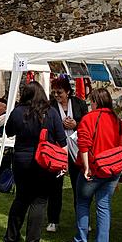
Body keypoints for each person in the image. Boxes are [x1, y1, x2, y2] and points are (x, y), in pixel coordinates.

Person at [2, 81, 66, 242]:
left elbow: (9, 131)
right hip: (44, 160)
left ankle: (11, 236)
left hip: (22, 160)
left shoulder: (18, 112)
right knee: (39, 201)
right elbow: (62, 140)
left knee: (21, 198)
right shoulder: (51, 113)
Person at [72, 88, 122, 242]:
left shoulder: (89, 119)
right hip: (112, 170)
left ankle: (81, 240)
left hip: (94, 169)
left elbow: (83, 145)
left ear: (95, 102)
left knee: (83, 202)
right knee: (104, 206)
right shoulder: (118, 122)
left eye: (91, 101)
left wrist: (87, 167)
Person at [46, 77, 89, 232]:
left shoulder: (79, 104)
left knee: (79, 186)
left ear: (68, 92)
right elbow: (47, 124)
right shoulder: (50, 106)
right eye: (54, 93)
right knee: (55, 186)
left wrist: (76, 124)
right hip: (58, 149)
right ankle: (53, 220)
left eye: (60, 93)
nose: (57, 95)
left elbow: (87, 122)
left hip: (77, 149)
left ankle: (82, 220)